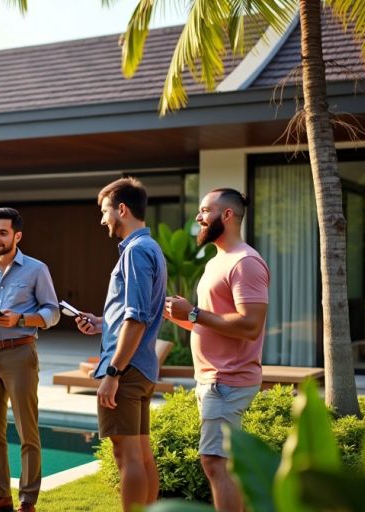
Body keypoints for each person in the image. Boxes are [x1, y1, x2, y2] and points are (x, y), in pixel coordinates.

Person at [164, 188, 269, 512]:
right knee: (221, 462)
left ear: (227, 215)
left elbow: (250, 324)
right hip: (212, 378)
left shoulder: (245, 263)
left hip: (228, 380)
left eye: (205, 210)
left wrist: (194, 313)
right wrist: (180, 317)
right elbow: (211, 323)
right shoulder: (217, 262)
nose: (198, 217)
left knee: (214, 461)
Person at [72, 177, 166, 511]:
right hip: (142, 366)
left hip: (126, 368)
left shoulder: (136, 252)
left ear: (122, 210)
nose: (102, 220)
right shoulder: (150, 248)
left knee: (126, 456)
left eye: (105, 211)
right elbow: (137, 313)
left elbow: (137, 318)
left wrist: (113, 372)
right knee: (140, 453)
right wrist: (101, 322)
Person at [0, 207, 60, 512]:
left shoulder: (36, 269)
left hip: (20, 353)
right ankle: (0, 494)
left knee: (27, 431)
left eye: (2, 232)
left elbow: (52, 312)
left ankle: (27, 500)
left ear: (17, 235)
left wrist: (21, 320)